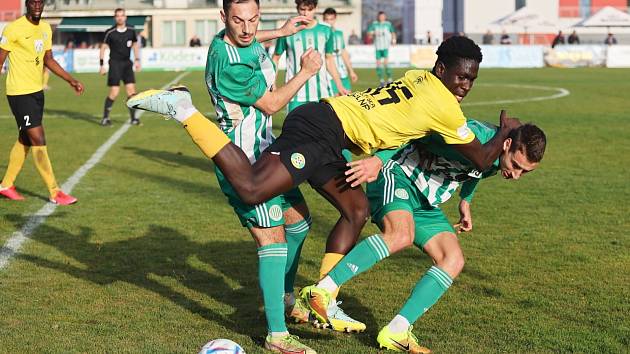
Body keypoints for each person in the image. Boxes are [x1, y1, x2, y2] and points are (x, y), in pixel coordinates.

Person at [128, 36, 521, 332]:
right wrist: (505, 130)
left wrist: (377, 158)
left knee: (356, 209)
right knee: (250, 187)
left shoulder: (419, 78)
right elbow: (483, 159)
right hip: (320, 128)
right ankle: (184, 111)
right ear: (441, 69)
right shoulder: (444, 105)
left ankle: (323, 295)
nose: (465, 86)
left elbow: (406, 130)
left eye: (472, 79)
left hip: (331, 132)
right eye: (461, 76)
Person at [300, 119, 546, 353]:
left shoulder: (499, 156)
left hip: (425, 200)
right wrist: (378, 159)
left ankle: (397, 330)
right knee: (400, 235)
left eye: (524, 172)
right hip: (397, 174)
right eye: (516, 166)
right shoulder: (470, 134)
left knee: (453, 259)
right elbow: (419, 129)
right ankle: (321, 290)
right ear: (506, 145)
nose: (515, 175)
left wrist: (466, 201)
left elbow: (479, 169)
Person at [202, 1, 321, 352]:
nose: (247, 28)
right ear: (223, 18)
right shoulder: (228, 61)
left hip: (266, 152)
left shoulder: (237, 38)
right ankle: (277, 335)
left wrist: (281, 32)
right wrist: (306, 73)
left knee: (299, 221)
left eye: (253, 20)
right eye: (238, 20)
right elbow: (271, 104)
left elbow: (251, 39)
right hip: (242, 162)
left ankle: (284, 297)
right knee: (272, 239)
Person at [0, 0, 84, 204]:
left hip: (37, 92)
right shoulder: (13, 29)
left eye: (40, 2)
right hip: (19, 93)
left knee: (26, 139)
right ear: (27, 5)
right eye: (33, 2)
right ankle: (55, 191)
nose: (37, 6)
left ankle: (6, 185)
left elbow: (48, 60)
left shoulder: (46, 29)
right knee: (38, 138)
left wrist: (70, 79)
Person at [272, 0, 348, 113]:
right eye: (302, 9)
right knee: (296, 130)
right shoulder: (288, 31)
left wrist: (339, 85)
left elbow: (329, 59)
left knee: (324, 129)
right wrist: (273, 83)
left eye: (309, 10)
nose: (305, 13)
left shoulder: (326, 31)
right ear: (297, 9)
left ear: (315, 9)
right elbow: (275, 58)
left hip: (322, 92)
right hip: (294, 94)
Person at [99, 8, 141, 127]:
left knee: (132, 92)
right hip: (115, 64)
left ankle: (134, 119)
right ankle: (105, 118)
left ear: (125, 17)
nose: (120, 18)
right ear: (115, 18)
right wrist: (102, 65)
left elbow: (135, 45)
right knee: (114, 92)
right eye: (117, 16)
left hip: (127, 64)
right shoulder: (110, 32)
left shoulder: (131, 30)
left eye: (122, 15)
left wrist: (137, 60)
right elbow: (103, 48)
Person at [322, 8, 357, 95]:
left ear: (335, 19)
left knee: (348, 99)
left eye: (331, 19)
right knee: (335, 102)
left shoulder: (339, 34)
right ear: (323, 19)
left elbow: (343, 53)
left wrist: (351, 71)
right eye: (326, 19)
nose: (329, 22)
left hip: (343, 72)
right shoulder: (321, 34)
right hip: (329, 75)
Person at [367, 11, 396, 86]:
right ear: (378, 17)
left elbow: (393, 32)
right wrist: (373, 33)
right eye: (380, 16)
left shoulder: (388, 24)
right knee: (378, 64)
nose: (382, 18)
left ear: (385, 17)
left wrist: (394, 40)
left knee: (386, 63)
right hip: (378, 47)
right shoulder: (374, 24)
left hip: (385, 46)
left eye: (383, 16)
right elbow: (369, 33)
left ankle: (390, 79)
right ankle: (381, 80)